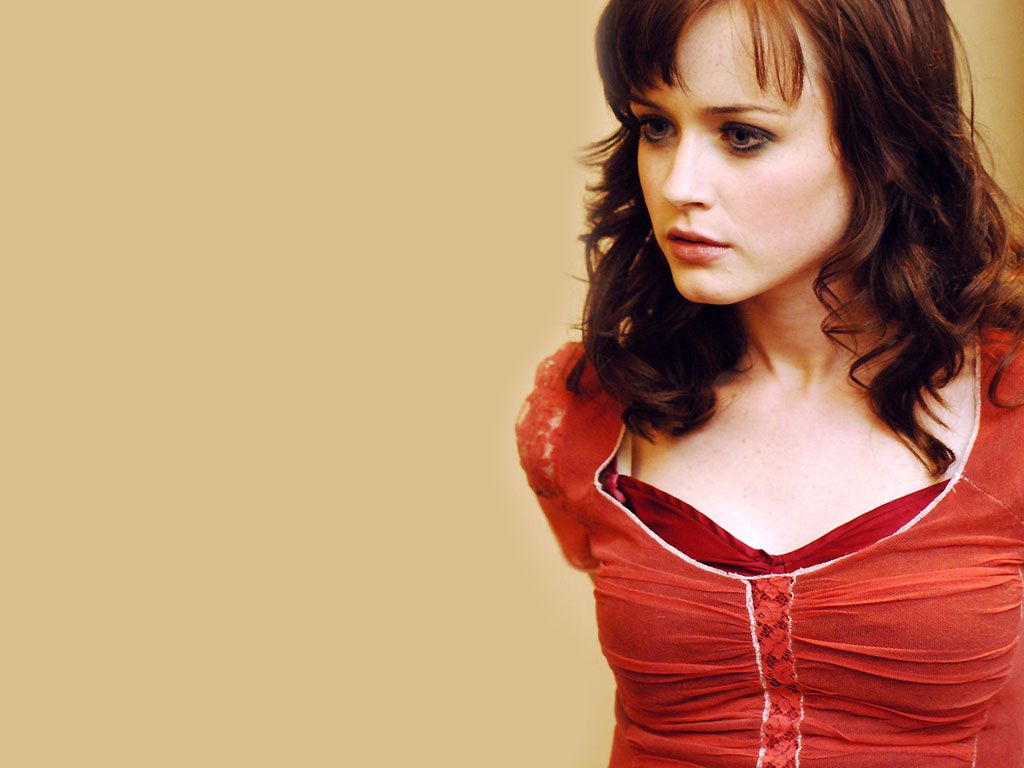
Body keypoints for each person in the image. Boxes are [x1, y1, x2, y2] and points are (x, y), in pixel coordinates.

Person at [514, 0, 1024, 765]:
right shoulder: (584, 409)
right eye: (655, 126)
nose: (679, 183)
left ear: (886, 141)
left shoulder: (1011, 402)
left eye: (742, 136)